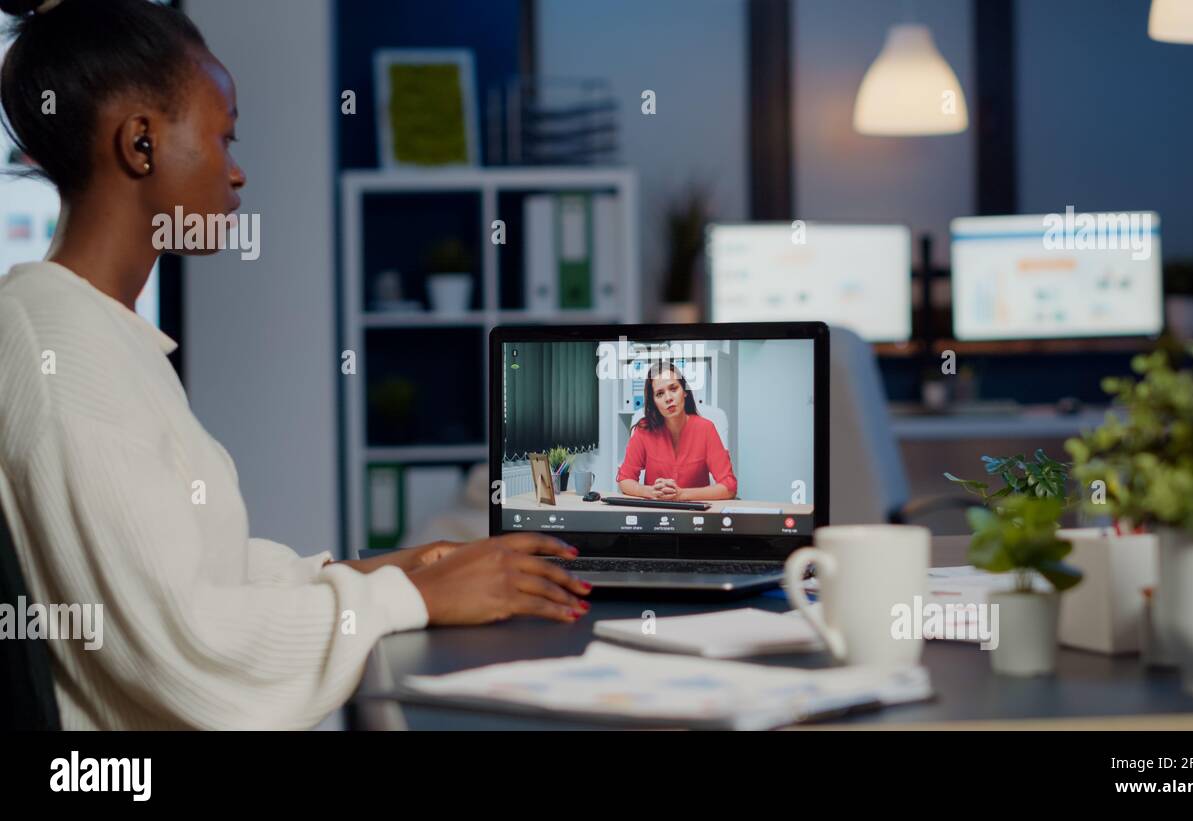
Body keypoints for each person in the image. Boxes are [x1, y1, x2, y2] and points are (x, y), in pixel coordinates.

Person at [0, 0, 588, 730]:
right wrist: (416, 600)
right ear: (141, 142)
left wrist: (385, 571)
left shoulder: (95, 332)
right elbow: (189, 655)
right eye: (225, 136)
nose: (239, 173)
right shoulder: (64, 355)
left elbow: (203, 575)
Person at [617, 361, 737, 501]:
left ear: (684, 391)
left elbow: (729, 487)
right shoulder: (644, 430)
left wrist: (681, 495)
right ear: (653, 401)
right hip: (654, 511)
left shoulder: (706, 429)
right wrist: (650, 492)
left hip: (695, 514)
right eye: (660, 394)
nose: (668, 398)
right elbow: (625, 480)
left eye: (673, 389)